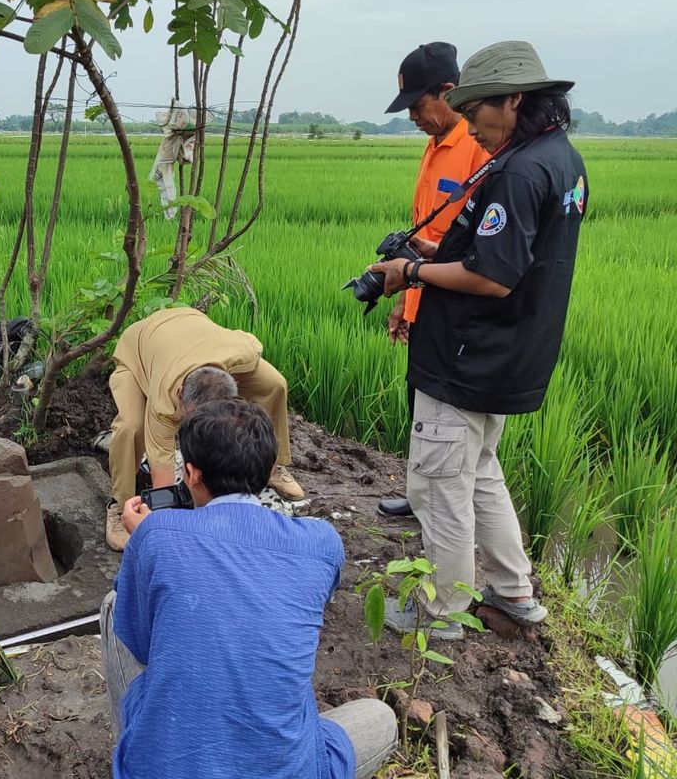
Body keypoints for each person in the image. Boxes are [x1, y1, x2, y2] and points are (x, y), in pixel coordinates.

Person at [367, 41, 586, 637]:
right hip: (512, 354)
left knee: (438, 484)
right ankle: (515, 593)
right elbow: (515, 255)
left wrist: (409, 272)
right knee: (481, 471)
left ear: (515, 99)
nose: (471, 122)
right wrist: (433, 251)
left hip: (466, 356)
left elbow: (492, 276)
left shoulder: (518, 171)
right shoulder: (561, 159)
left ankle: (440, 613)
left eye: (480, 109)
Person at [101, 399, 396, 778]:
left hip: (164, 768)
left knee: (116, 603)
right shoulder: (322, 543)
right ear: (268, 469)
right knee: (379, 716)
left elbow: (142, 644)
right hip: (286, 767)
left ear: (191, 473)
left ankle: (140, 743)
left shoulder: (157, 533)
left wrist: (146, 544)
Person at [378, 42, 490, 519]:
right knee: (418, 402)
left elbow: (473, 249)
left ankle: (439, 503)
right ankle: (419, 492)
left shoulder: (477, 148)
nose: (413, 117)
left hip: (456, 304)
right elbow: (423, 233)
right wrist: (405, 303)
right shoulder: (434, 144)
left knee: (446, 417)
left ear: (447, 91)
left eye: (418, 105)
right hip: (423, 290)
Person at [105, 306, 304, 551]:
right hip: (138, 349)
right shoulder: (165, 401)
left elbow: (267, 381)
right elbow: (161, 464)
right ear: (180, 395)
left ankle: (273, 467)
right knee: (131, 427)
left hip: (191, 325)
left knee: (275, 384)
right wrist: (162, 519)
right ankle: (118, 503)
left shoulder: (245, 355)